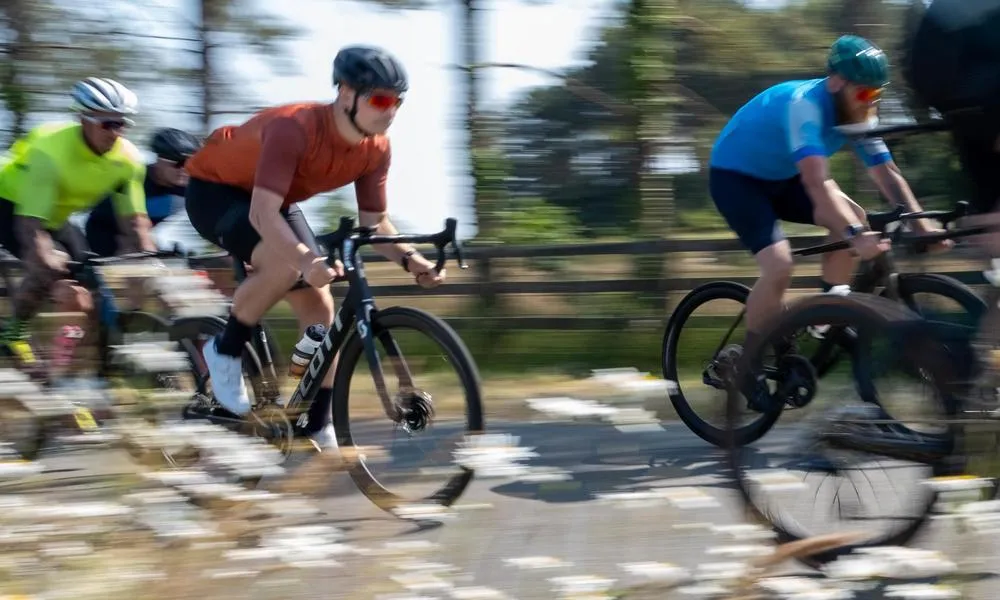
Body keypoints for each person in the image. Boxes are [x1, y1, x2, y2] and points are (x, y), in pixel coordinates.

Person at [183, 45, 443, 451]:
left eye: (398, 101)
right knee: (285, 266)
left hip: (273, 199)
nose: (390, 110)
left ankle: (316, 422)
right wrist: (305, 259)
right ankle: (224, 350)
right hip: (216, 192)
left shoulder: (376, 148)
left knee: (321, 309)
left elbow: (375, 223)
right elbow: (262, 215)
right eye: (379, 99)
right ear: (344, 93)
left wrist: (413, 261)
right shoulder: (295, 128)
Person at [707, 34, 944, 410]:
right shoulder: (805, 106)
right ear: (836, 82)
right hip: (737, 177)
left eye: (876, 95)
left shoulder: (859, 110)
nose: (871, 102)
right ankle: (747, 364)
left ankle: (828, 312)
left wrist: (920, 222)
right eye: (864, 93)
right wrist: (854, 236)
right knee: (780, 264)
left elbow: (886, 174)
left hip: (783, 177)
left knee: (857, 217)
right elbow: (816, 183)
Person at [0, 77, 155, 364]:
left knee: (93, 289)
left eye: (121, 124)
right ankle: (12, 334)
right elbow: (30, 225)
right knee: (49, 272)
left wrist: (148, 258)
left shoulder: (128, 161)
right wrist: (47, 260)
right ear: (83, 119)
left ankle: (84, 370)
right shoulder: (50, 152)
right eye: (107, 124)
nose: (115, 133)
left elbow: (136, 222)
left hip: (54, 214)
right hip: (10, 204)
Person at [84, 127, 200, 257]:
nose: (184, 170)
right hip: (105, 231)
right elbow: (136, 227)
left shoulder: (192, 185)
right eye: (178, 163)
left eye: (191, 163)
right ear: (158, 160)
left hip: (142, 234)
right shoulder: (135, 179)